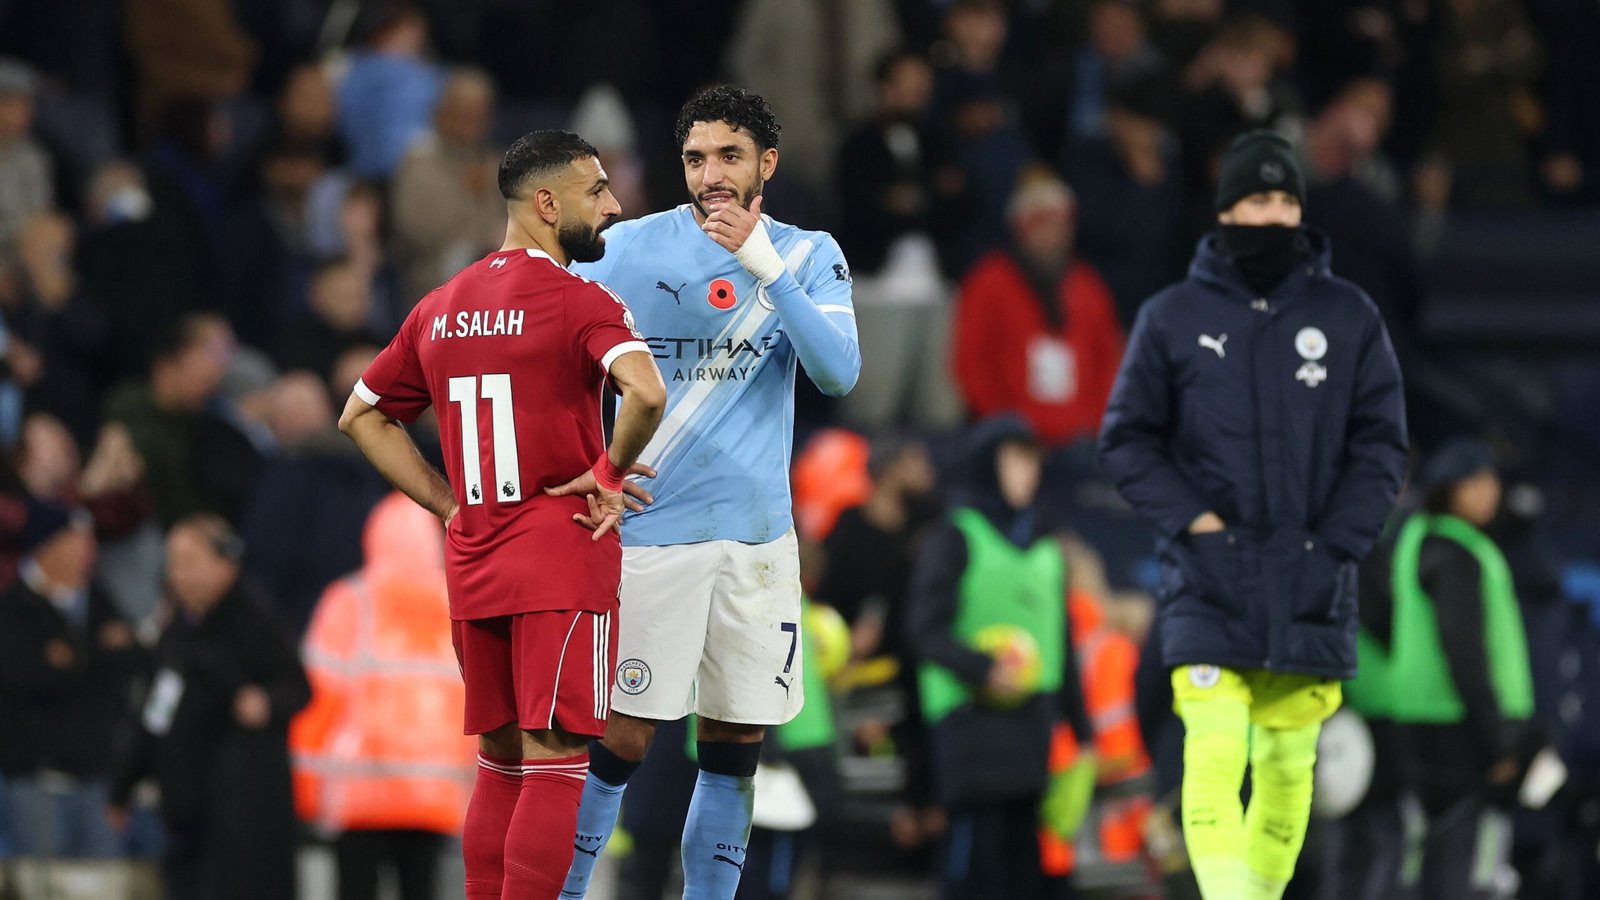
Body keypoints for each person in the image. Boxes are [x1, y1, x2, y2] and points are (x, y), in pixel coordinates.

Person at [336, 129, 666, 900]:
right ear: (547, 204)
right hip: (561, 553)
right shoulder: (580, 299)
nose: (614, 206)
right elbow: (646, 391)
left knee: (499, 763)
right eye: (597, 191)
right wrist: (608, 473)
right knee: (555, 766)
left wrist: (451, 505)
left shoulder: (441, 306)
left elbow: (360, 414)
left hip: (476, 560)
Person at [560, 84, 860, 900]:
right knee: (621, 737)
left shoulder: (806, 253)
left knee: (734, 744)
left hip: (758, 542)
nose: (711, 175)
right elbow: (554, 355)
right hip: (652, 535)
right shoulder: (625, 249)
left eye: (729, 156)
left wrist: (765, 266)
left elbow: (838, 373)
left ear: (766, 161)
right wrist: (591, 462)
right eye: (696, 158)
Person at [1097, 129, 1407, 899]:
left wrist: (1336, 548)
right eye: (1257, 200)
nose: (1272, 215)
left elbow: (1382, 446)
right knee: (1212, 747)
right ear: (1226, 209)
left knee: (1286, 767)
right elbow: (1127, 438)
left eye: (1285, 200)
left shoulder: (1349, 316)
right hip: (1210, 577)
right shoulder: (1172, 316)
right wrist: (1198, 527)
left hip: (1312, 583)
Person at [906, 416, 1093, 900]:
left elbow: (1060, 640)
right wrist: (984, 669)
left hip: (1032, 729)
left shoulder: (1048, 545)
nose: (1026, 472)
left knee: (1022, 869)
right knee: (973, 868)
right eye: (1014, 459)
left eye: (1032, 460)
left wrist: (1083, 728)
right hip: (972, 727)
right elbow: (923, 629)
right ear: (988, 464)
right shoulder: (956, 534)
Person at [1359, 439, 1540, 899]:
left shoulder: (1413, 540)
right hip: (1457, 726)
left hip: (1415, 719)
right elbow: (1466, 653)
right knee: (1463, 864)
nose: (1488, 492)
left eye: (1490, 480)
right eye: (1473, 482)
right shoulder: (1457, 552)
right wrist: (1497, 739)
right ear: (1448, 490)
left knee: (1419, 856)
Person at [109, 515, 312, 900]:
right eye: (173, 563)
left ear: (224, 564)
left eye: (189, 561)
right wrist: (122, 787)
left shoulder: (255, 620)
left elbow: (299, 688)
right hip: (188, 812)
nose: (178, 574)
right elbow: (154, 716)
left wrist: (264, 702)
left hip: (246, 816)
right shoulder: (177, 632)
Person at [290, 492, 477, 900]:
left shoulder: (349, 602)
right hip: (435, 797)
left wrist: (305, 790)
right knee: (421, 890)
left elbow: (315, 701)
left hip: (360, 795)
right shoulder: (457, 605)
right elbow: (476, 705)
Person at [0, 502, 142, 859]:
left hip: (95, 773)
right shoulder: (14, 607)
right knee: (40, 883)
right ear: (48, 545)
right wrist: (98, 655)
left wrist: (75, 659)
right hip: (35, 777)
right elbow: (26, 678)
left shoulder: (100, 598)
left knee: (102, 881)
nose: (89, 551)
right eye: (78, 541)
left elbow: (133, 659)